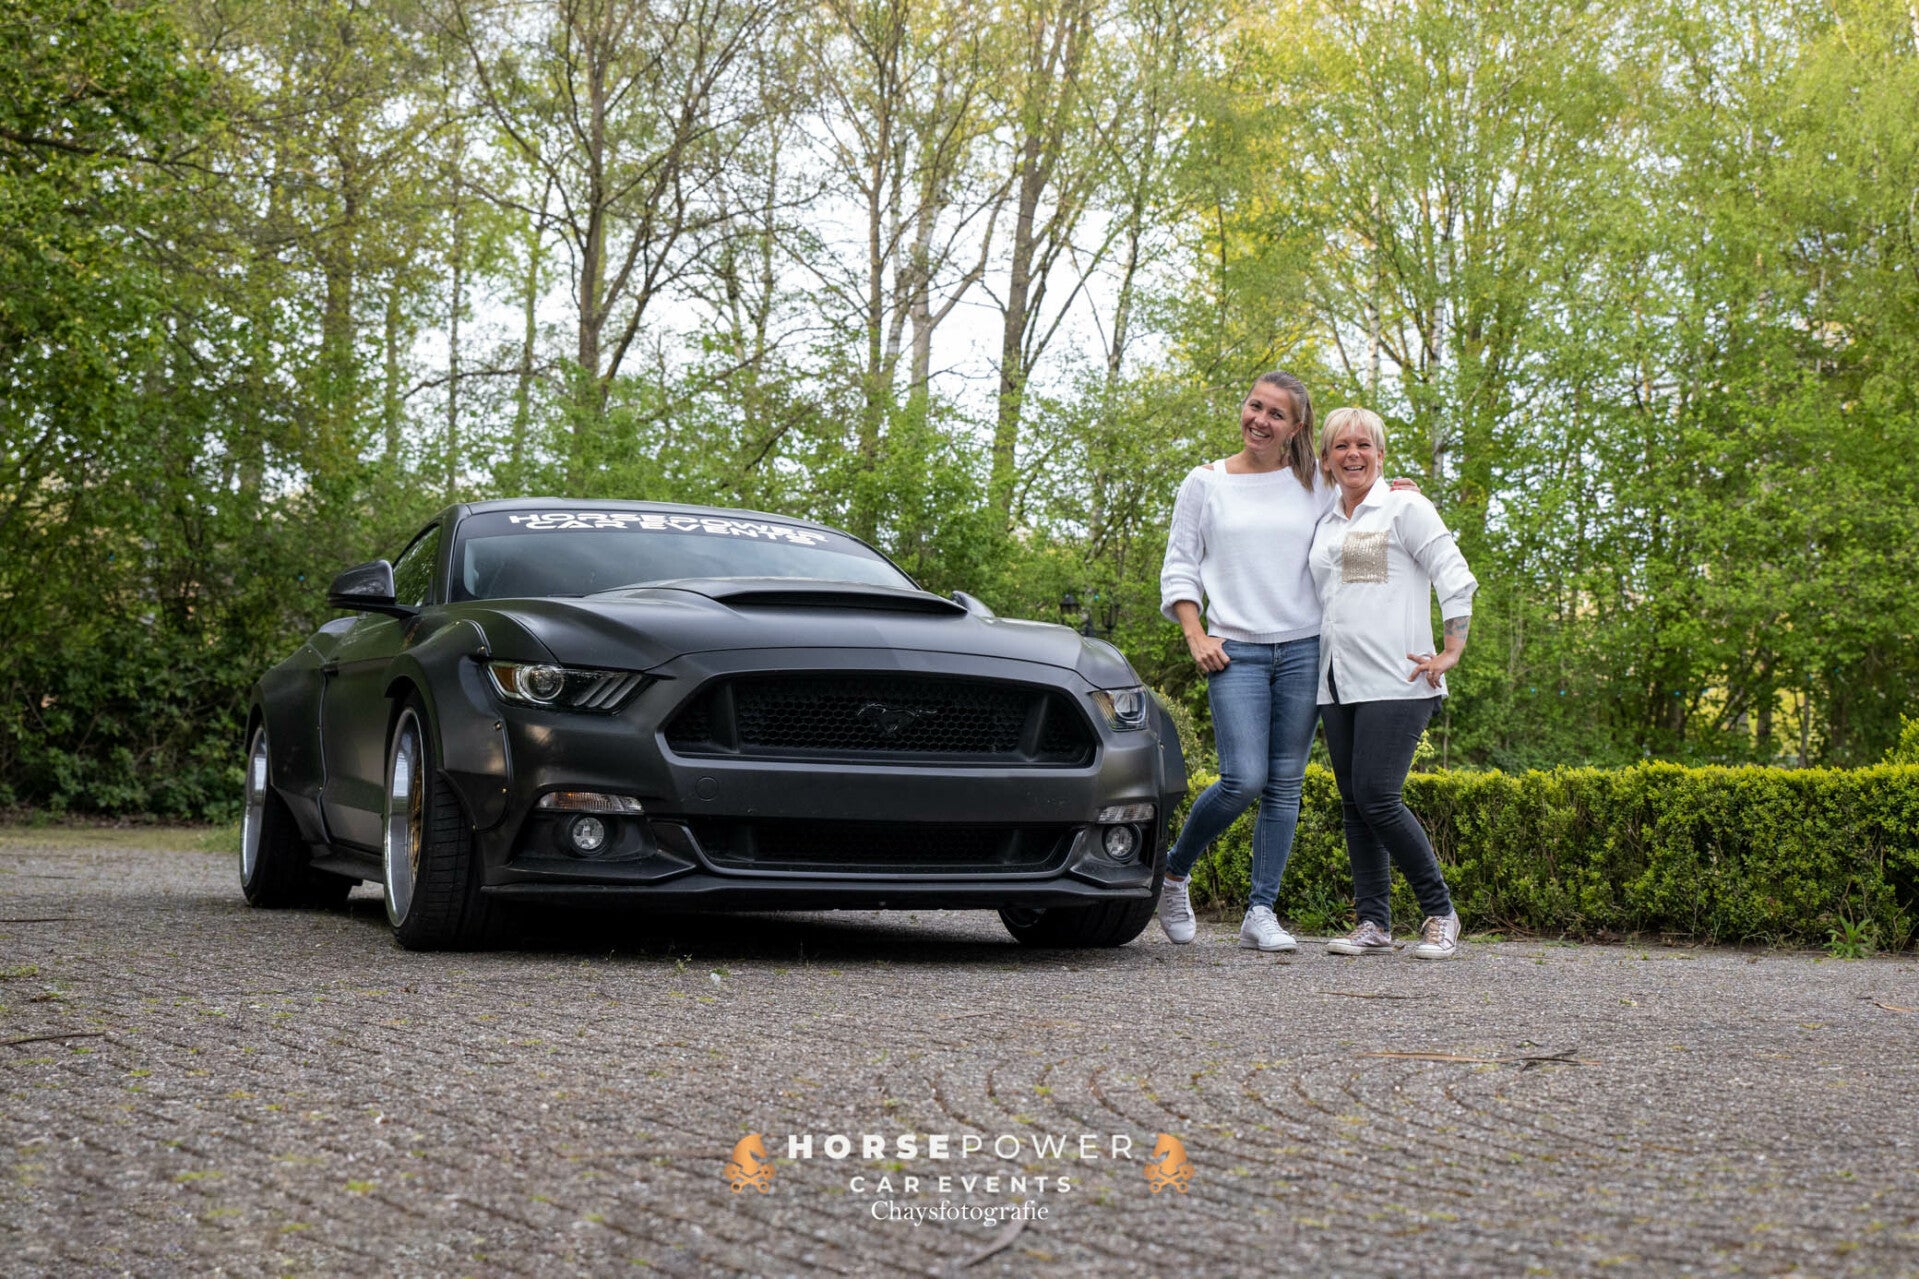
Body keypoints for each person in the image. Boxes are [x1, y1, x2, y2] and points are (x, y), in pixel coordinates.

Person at [1156, 371, 1344, 952]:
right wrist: (1195, 634)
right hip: (1234, 651)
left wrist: (1398, 496)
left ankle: (1261, 912)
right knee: (1242, 779)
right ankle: (1173, 873)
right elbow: (1180, 564)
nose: (1260, 420)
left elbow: (1363, 528)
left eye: (1276, 414)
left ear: (1297, 427)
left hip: (1304, 649)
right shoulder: (1206, 482)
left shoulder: (1318, 484)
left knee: (1285, 785)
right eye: (1254, 406)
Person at [1308, 407, 1477, 960]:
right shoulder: (1328, 521)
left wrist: (1451, 649)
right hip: (1337, 683)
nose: (1352, 454)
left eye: (1364, 444)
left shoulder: (1404, 506)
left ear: (1381, 455)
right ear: (1326, 459)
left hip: (1397, 679)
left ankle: (1440, 912)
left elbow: (1454, 574)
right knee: (1355, 804)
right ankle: (1373, 923)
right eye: (1340, 446)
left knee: (1378, 797)